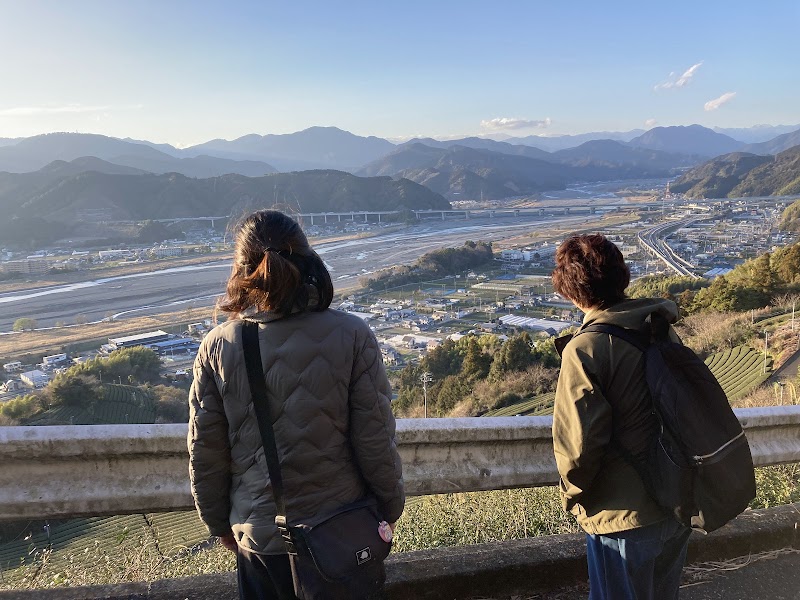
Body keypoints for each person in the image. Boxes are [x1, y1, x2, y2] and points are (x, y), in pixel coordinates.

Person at [188, 209, 405, 600]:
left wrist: (220, 525)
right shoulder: (352, 334)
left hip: (261, 542)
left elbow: (206, 453)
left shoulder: (218, 346)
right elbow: (375, 441)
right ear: (308, 260)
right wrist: (388, 509)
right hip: (341, 532)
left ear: (241, 271)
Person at [551, 234, 691, 600]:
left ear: (570, 290)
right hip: (675, 500)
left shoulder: (586, 348)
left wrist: (573, 495)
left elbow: (578, 447)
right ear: (622, 276)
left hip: (622, 515)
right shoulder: (658, 326)